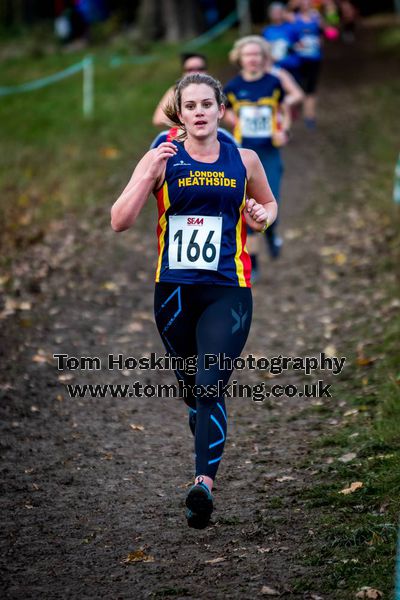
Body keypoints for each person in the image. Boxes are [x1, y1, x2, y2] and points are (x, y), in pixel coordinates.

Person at [111, 73, 277, 529]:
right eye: (191, 106)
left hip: (229, 290)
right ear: (179, 114)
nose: (200, 112)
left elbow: (267, 206)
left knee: (211, 384)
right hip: (174, 295)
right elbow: (120, 220)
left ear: (221, 110)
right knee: (194, 390)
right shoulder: (161, 160)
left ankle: (203, 484)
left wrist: (262, 215)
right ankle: (202, 423)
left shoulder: (244, 159)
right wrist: (146, 173)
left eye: (208, 104)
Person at [223, 36, 293, 281]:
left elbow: (283, 111)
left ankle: (272, 232)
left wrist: (284, 130)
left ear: (264, 58)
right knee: (248, 205)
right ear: (239, 58)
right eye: (247, 55)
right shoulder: (231, 87)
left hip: (269, 152)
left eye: (257, 55)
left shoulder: (274, 83)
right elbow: (226, 112)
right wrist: (234, 122)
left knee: (270, 200)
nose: (252, 59)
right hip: (244, 154)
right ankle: (252, 262)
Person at [152, 52, 208, 128]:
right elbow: (158, 120)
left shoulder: (215, 91)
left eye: (200, 69)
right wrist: (186, 121)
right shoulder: (176, 90)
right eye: (190, 69)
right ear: (183, 72)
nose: (195, 72)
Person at [291, 0, 324, 128]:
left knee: (310, 88)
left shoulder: (317, 18)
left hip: (314, 58)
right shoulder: (293, 18)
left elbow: (326, 32)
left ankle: (310, 116)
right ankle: (294, 113)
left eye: (308, 2)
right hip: (298, 59)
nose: (305, 4)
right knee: (297, 86)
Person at [262, 2, 302, 82]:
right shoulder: (267, 30)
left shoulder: (292, 27)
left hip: (292, 65)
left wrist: (289, 49)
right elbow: (265, 47)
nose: (276, 15)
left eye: (278, 12)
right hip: (275, 67)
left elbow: (301, 43)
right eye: (274, 13)